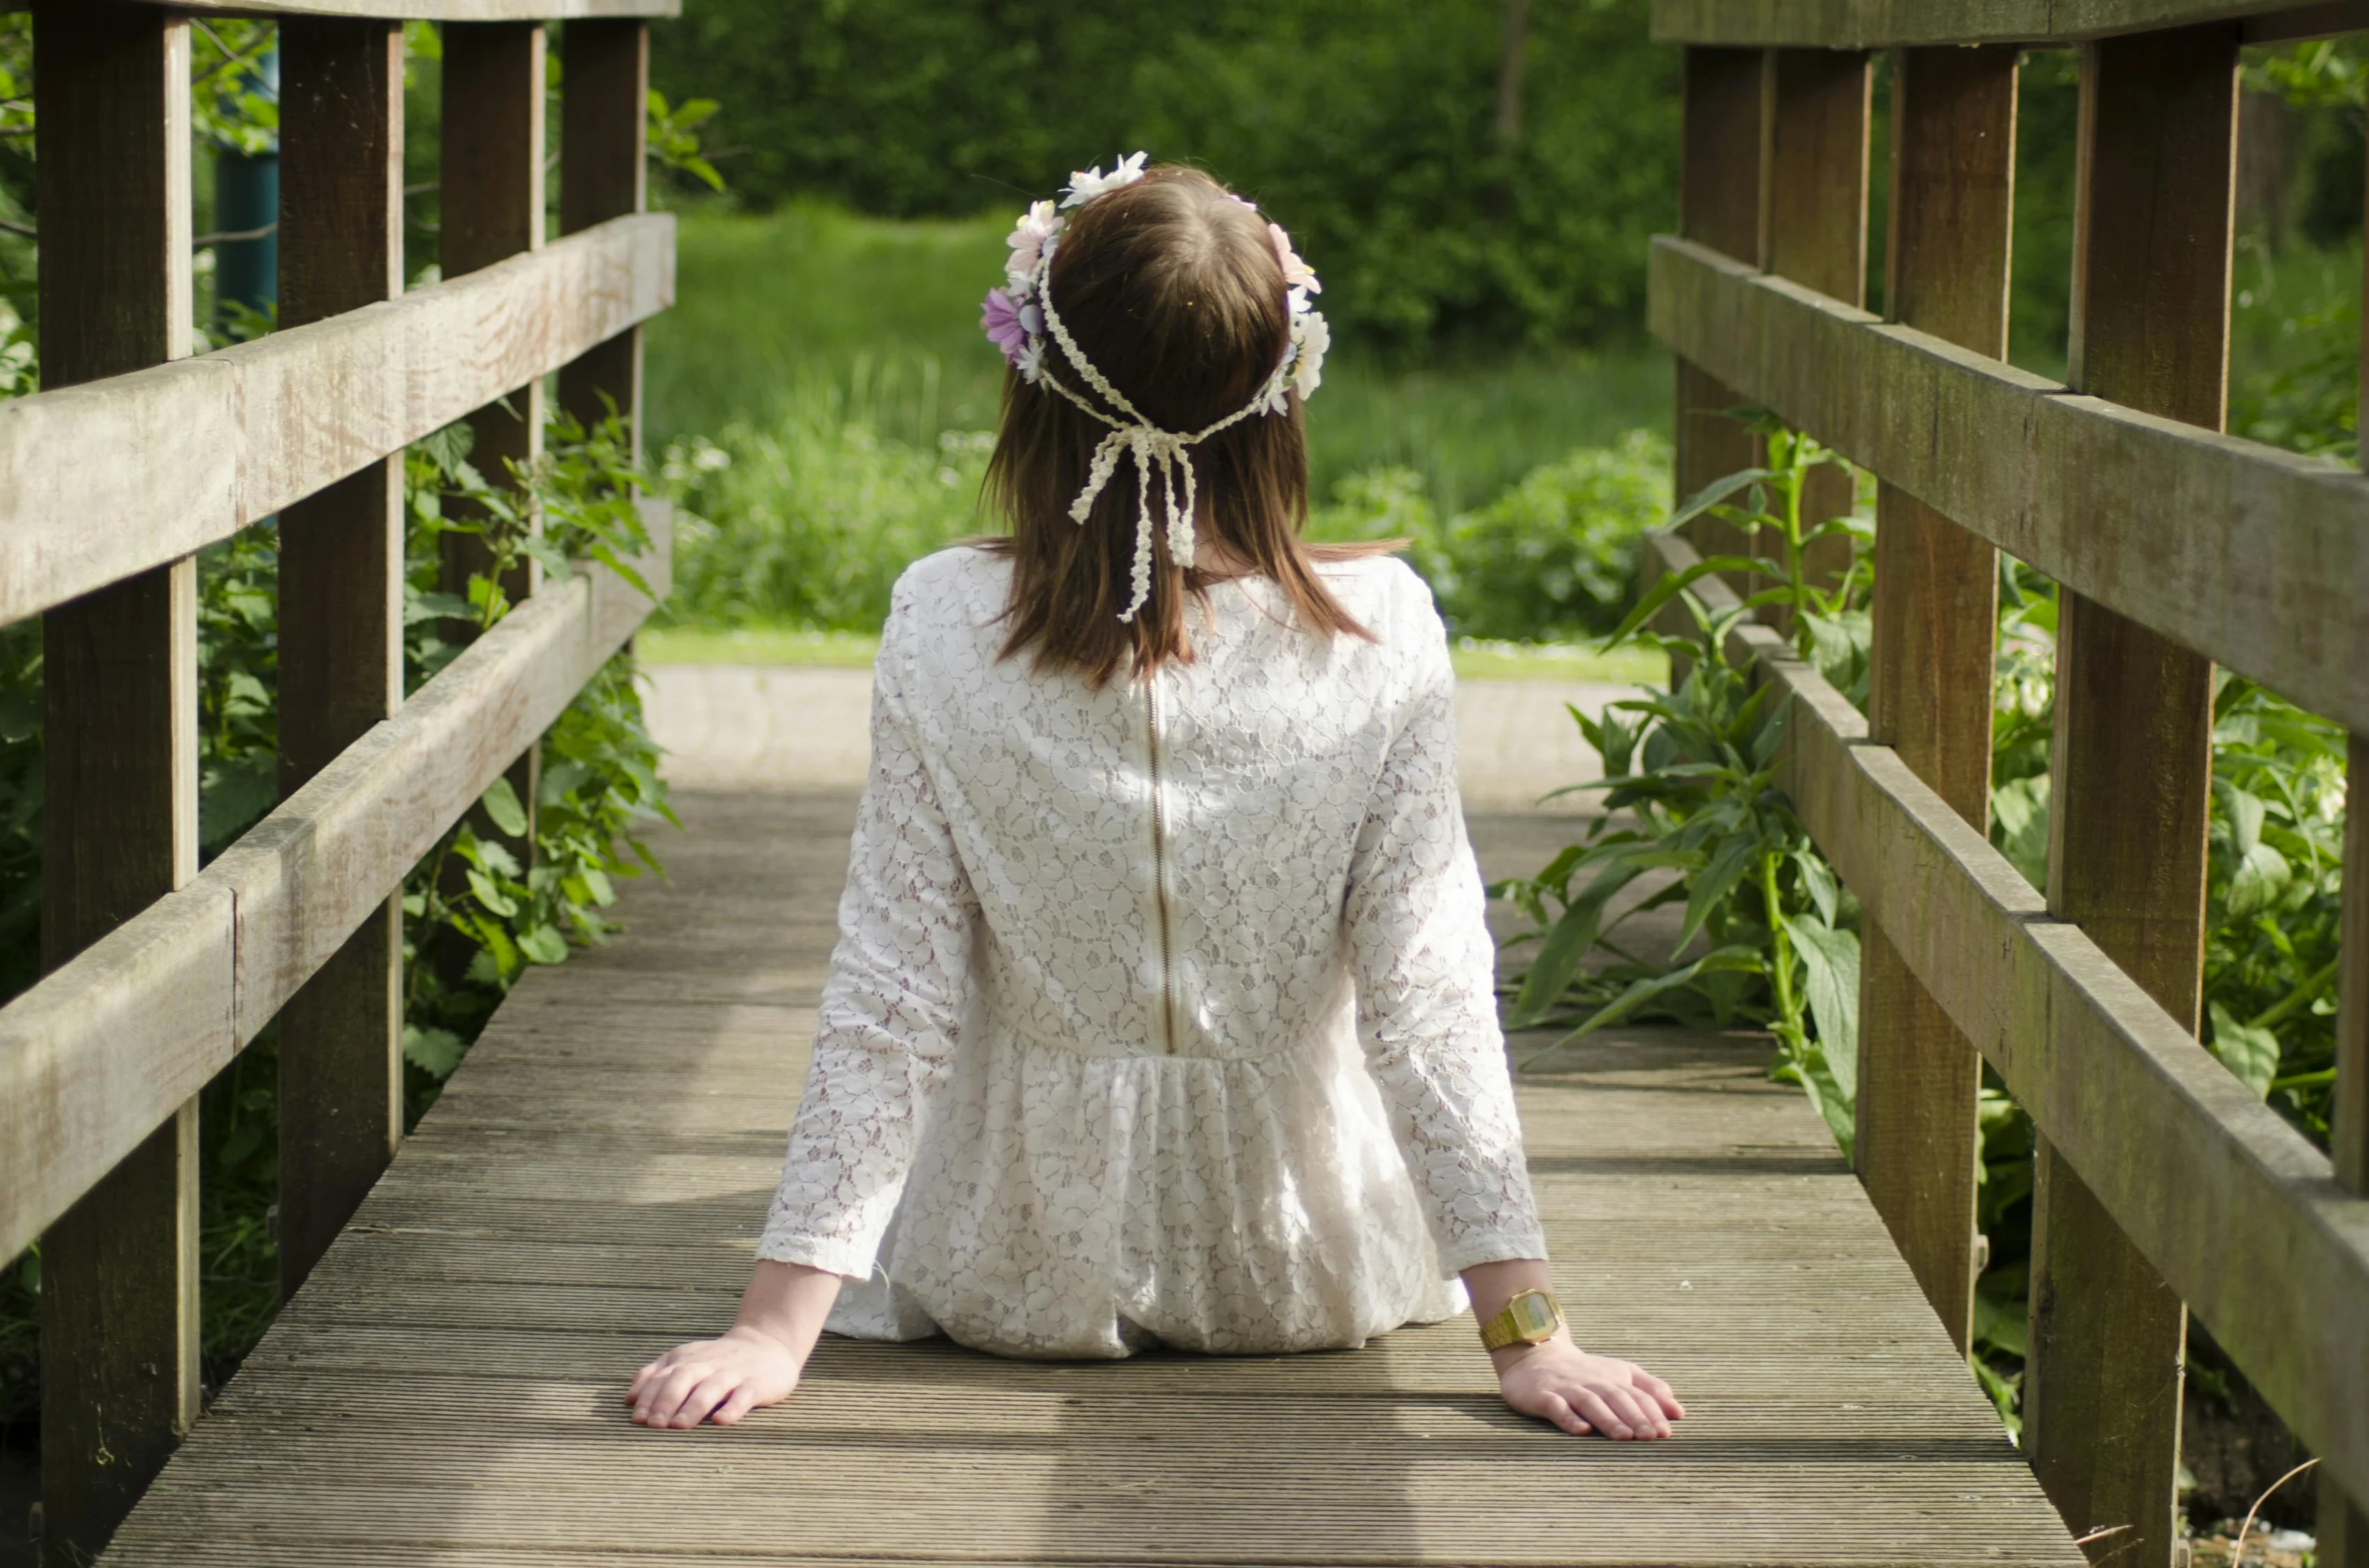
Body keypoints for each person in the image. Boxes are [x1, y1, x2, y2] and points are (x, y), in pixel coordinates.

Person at [628, 156, 1684, 1443]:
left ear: (1034, 378)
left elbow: (891, 992)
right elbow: (1431, 996)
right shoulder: (1384, 632)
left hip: (1012, 1269)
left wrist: (769, 1327)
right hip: (1305, 1265)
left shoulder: (941, 620)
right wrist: (1530, 1335)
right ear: (1287, 390)